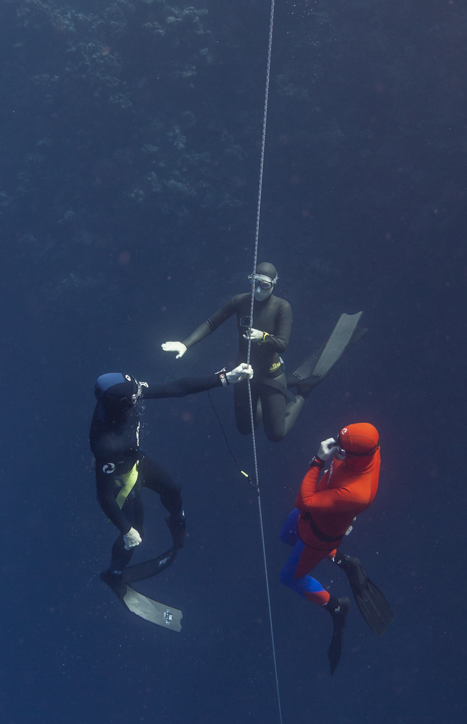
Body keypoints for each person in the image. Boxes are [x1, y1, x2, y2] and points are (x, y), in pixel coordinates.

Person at [161, 261, 362, 442]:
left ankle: (303, 392)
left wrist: (263, 336)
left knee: (276, 435)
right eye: (254, 283)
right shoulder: (240, 301)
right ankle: (274, 395)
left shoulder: (282, 307)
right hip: (243, 374)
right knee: (245, 429)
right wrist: (185, 344)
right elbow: (211, 323)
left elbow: (282, 345)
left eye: (264, 285)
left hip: (271, 374)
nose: (258, 290)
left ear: (274, 284)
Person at [91, 365, 252, 576]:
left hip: (136, 459)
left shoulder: (125, 396)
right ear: (121, 404)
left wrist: (224, 378)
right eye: (134, 394)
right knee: (135, 535)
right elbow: (104, 496)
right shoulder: (106, 445)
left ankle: (176, 521)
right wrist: (126, 530)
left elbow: (174, 388)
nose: (139, 392)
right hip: (121, 481)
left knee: (173, 489)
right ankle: (114, 573)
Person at [279, 422, 387, 673]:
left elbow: (304, 501)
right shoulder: (370, 451)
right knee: (286, 536)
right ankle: (342, 560)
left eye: (342, 446)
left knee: (289, 578)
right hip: (319, 510)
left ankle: (337, 607)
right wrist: (341, 454)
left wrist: (318, 461)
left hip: (317, 535)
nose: (336, 445)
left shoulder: (356, 492)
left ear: (356, 456)